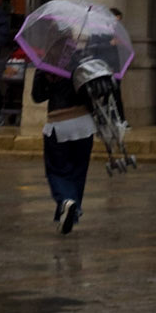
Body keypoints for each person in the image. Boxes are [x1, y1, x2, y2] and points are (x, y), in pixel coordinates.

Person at [30, 62, 94, 234]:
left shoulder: (49, 61)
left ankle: (67, 200)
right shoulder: (85, 59)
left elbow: (37, 96)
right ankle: (68, 216)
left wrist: (43, 76)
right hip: (85, 124)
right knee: (78, 172)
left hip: (59, 123)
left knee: (56, 170)